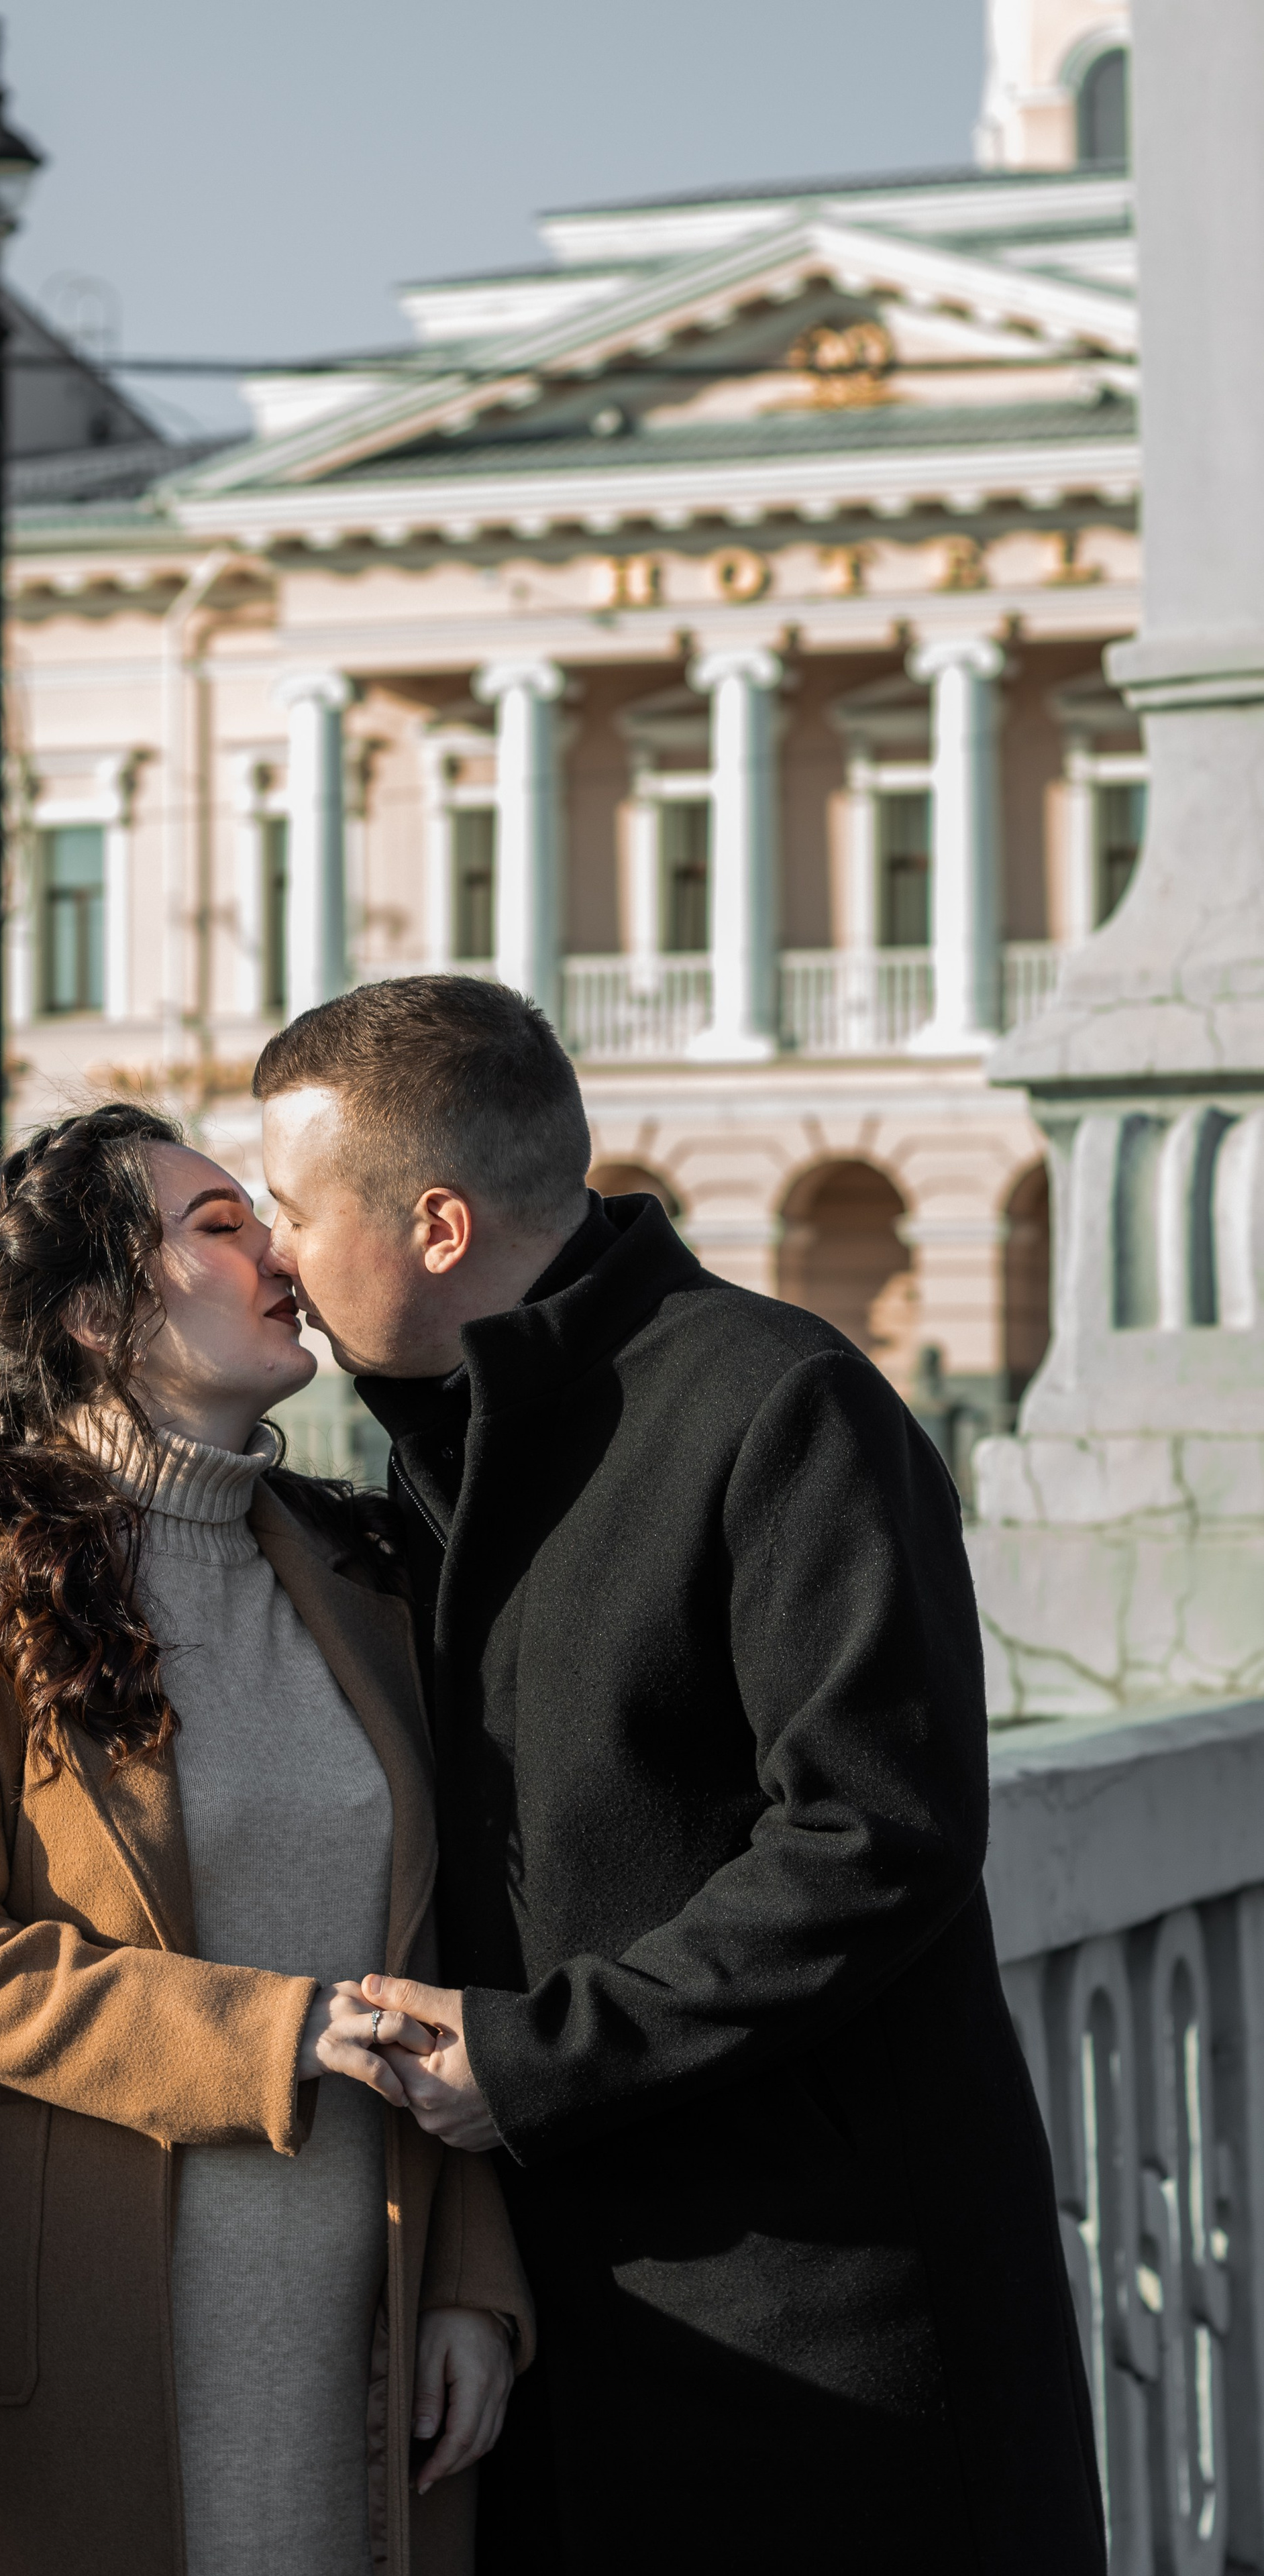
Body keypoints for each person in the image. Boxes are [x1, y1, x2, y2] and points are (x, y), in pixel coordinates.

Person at [254, 977, 1107, 2576]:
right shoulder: (435, 1453)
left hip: (822, 2331)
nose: (278, 1259)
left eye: (291, 1210)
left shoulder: (778, 1402)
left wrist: (537, 2055)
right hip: (575, 2327)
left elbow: (878, 1834)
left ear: (434, 1225)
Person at [0, 1103, 530, 2576]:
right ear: (97, 1314)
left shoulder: (367, 1576)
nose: (281, 1247)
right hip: (102, 2337)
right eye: (220, 1226)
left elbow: (447, 1946)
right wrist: (263, 2035)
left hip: (376, 2335)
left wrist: (471, 2274)